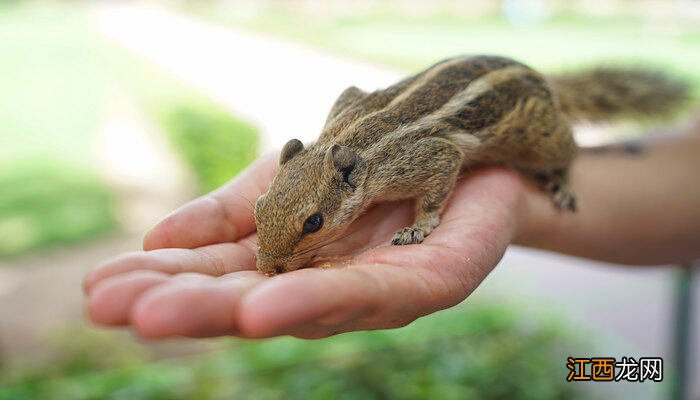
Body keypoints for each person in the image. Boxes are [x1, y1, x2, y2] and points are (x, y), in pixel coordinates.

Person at [83, 112, 700, 339]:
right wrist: (518, 199)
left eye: (313, 225)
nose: (274, 257)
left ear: (354, 183)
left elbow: (444, 156)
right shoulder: (340, 161)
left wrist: (432, 215)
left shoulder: (395, 168)